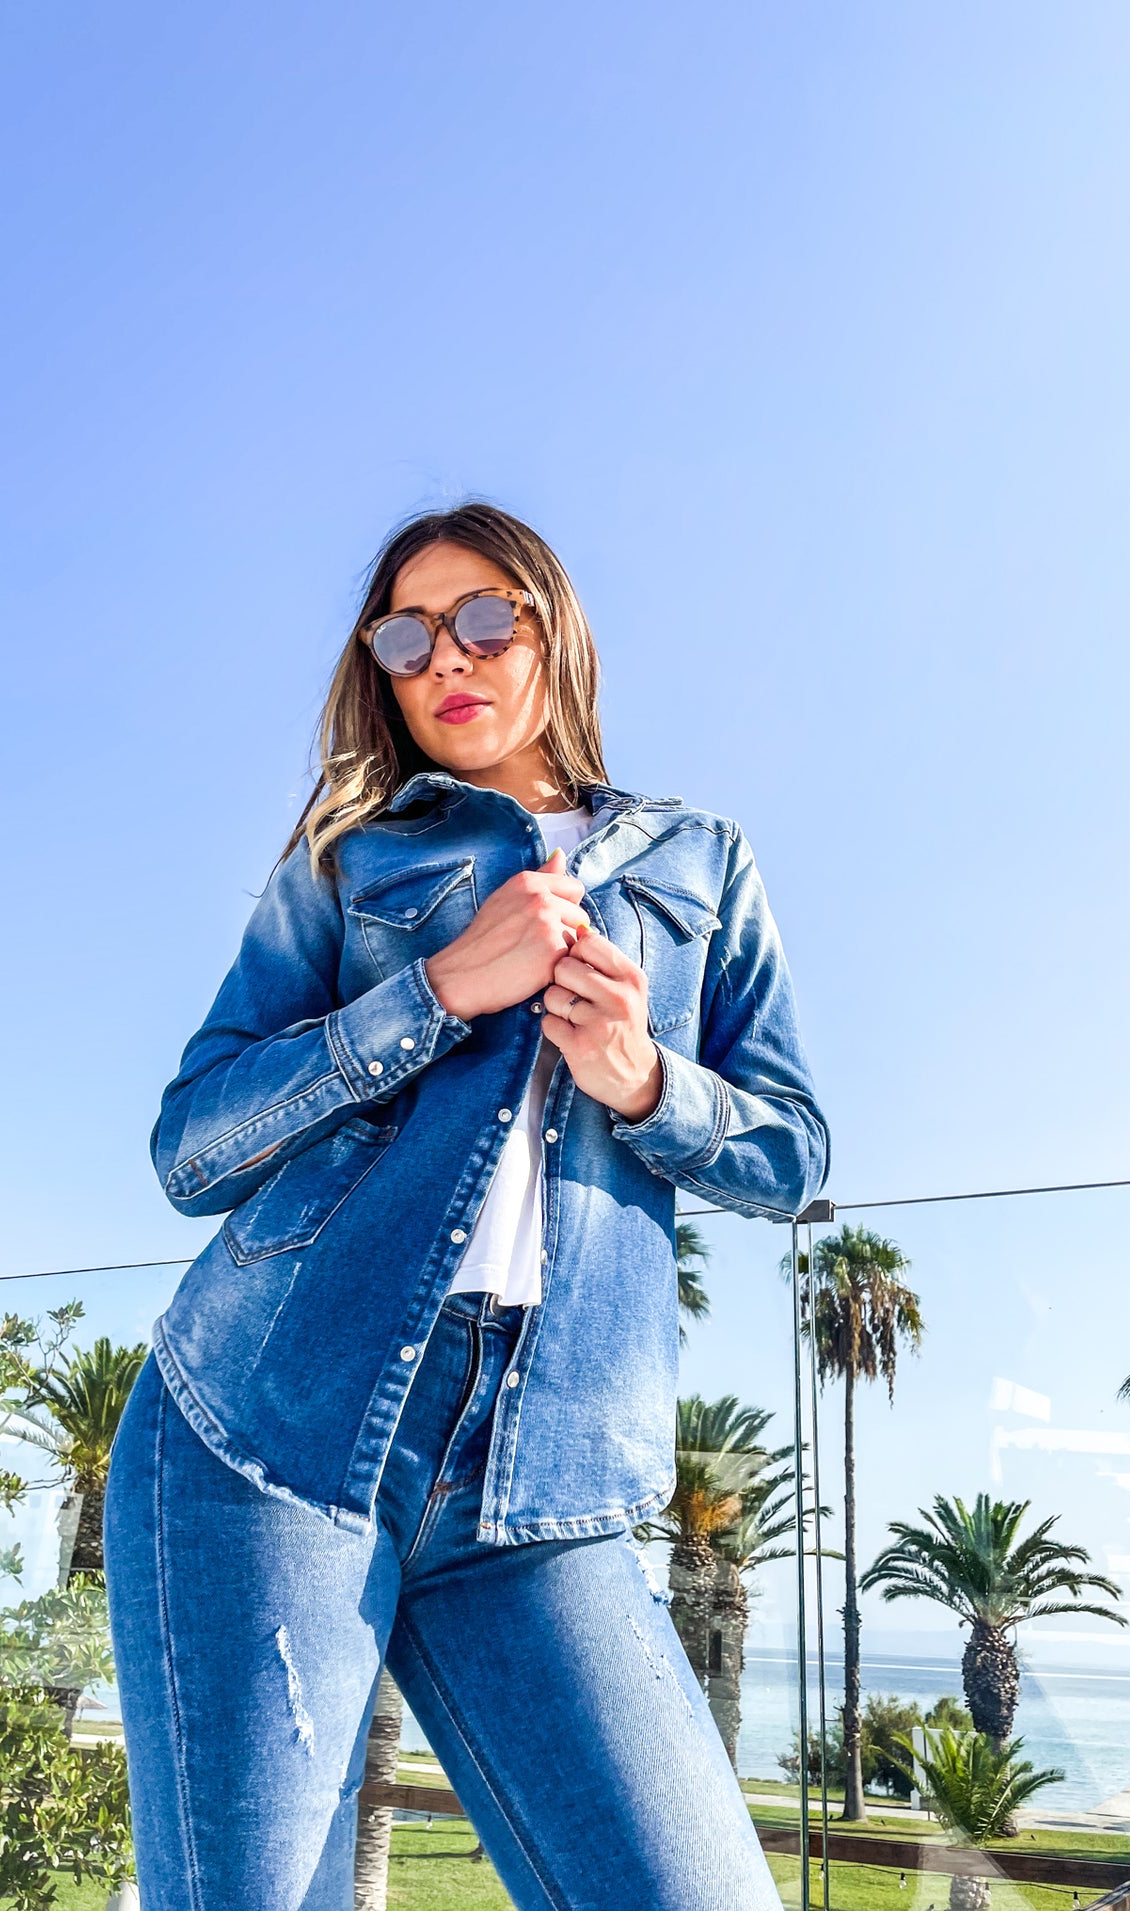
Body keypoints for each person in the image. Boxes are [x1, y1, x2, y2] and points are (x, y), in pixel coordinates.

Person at [103, 502, 828, 1910]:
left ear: (552, 627)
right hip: (270, 1433)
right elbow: (192, 1147)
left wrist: (638, 1081)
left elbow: (791, 1156)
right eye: (406, 633)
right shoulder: (350, 857)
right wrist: (435, 993)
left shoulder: (699, 862)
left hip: (547, 1479)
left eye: (487, 615)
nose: (450, 655)